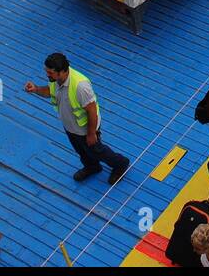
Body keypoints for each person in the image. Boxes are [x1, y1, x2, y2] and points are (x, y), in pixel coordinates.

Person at [25, 52, 131, 185]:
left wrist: (91, 134)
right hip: (71, 127)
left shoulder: (80, 86)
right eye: (47, 72)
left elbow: (92, 111)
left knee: (97, 150)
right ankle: (92, 167)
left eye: (50, 72)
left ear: (63, 71)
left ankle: (120, 163)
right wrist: (36, 89)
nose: (47, 75)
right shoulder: (56, 80)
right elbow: (51, 91)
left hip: (85, 130)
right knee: (81, 151)